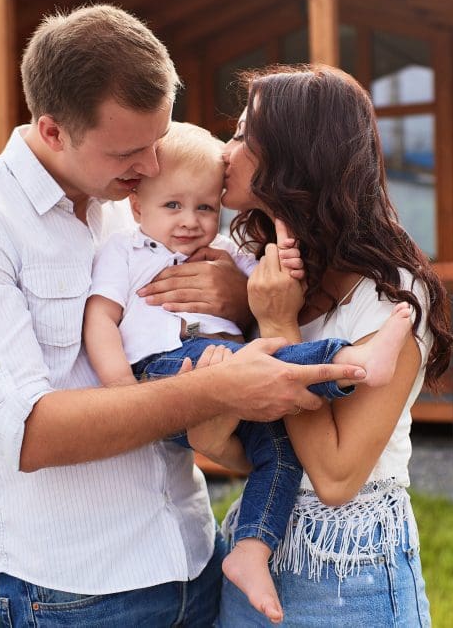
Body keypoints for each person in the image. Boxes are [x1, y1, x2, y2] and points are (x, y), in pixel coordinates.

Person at [0, 5, 363, 627]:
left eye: (157, 141)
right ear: (54, 130)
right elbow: (30, 434)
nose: (150, 165)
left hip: (195, 560)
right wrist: (213, 388)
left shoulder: (129, 200)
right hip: (81, 592)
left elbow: (213, 316)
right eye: (129, 151)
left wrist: (228, 297)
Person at [83, 121, 414, 622]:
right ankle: (351, 363)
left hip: (343, 550)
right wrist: (125, 393)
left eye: (205, 207)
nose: (190, 220)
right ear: (138, 207)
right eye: (172, 205)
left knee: (278, 455)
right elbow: (101, 321)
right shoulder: (126, 252)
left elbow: (331, 476)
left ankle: (252, 552)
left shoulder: (240, 256)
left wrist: (257, 301)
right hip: (165, 370)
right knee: (259, 368)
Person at [215, 65, 453, 627]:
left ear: (294, 155)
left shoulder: (392, 293)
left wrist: (277, 326)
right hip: (252, 552)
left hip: (350, 578)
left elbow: (338, 477)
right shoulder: (251, 259)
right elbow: (232, 446)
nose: (225, 150)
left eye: (243, 135)